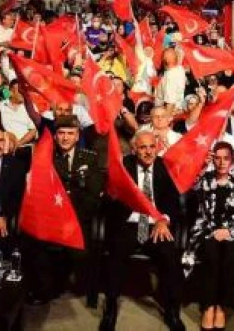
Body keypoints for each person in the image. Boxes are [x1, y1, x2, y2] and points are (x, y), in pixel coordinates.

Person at [101, 129, 185, 331]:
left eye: (151, 147)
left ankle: (172, 310)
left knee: (171, 255)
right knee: (116, 253)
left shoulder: (165, 167)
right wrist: (111, 194)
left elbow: (174, 201)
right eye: (142, 147)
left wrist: (163, 219)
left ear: (157, 147)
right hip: (129, 223)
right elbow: (109, 201)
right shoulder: (124, 166)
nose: (148, 152)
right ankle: (110, 307)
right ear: (134, 150)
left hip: (156, 225)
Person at [26, 116, 104, 304]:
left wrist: (71, 217)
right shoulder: (46, 158)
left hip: (78, 219)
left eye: (71, 133)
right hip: (51, 218)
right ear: (55, 136)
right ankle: (45, 290)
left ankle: (70, 285)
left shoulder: (90, 158)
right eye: (61, 133)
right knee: (36, 245)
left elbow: (93, 195)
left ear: (78, 136)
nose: (66, 138)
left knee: (79, 251)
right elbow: (40, 192)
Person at [187, 142, 234, 331]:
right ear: (212, 160)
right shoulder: (205, 180)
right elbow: (190, 194)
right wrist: (201, 168)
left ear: (232, 161)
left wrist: (230, 231)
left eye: (226, 158)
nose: (221, 162)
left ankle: (221, 306)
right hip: (207, 231)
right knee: (211, 255)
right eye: (217, 158)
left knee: (231, 256)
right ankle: (208, 306)